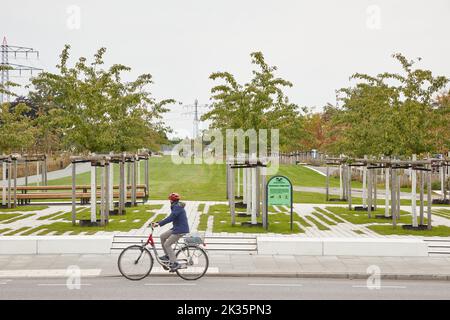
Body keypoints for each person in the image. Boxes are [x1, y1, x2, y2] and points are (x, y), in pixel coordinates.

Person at [151, 192, 189, 272]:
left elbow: (170, 218)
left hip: (180, 230)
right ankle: (168, 256)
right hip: (176, 228)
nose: (169, 201)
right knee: (162, 236)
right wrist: (158, 222)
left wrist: (159, 223)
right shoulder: (176, 206)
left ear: (172, 201)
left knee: (167, 244)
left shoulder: (177, 207)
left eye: (170, 200)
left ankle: (175, 263)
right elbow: (170, 217)